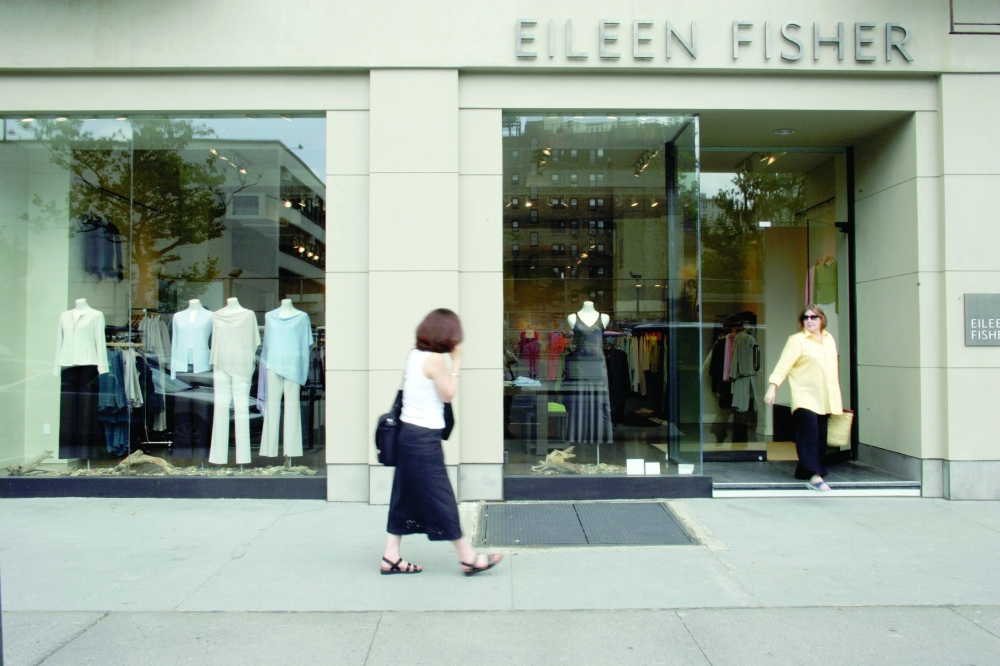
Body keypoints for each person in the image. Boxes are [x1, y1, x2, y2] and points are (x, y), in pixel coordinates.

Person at [381, 308, 503, 576]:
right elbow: (447, 394)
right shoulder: (435, 360)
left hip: (409, 434)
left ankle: (391, 557)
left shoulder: (414, 355)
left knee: (403, 496)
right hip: (423, 439)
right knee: (441, 497)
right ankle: (468, 557)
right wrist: (457, 363)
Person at [763, 304, 843, 492]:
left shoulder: (829, 339)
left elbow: (832, 369)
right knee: (810, 435)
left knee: (820, 437)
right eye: (805, 318)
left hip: (825, 397)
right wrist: (772, 387)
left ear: (821, 319)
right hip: (805, 396)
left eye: (813, 317)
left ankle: (803, 471)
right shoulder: (797, 341)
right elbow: (784, 365)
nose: (809, 321)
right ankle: (816, 476)